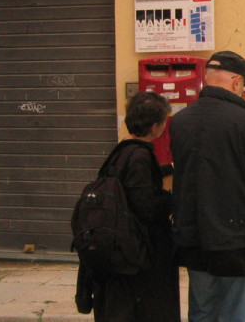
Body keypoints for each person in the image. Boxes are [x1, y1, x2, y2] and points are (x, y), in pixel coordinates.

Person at [170, 51, 245, 322]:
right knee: (238, 313)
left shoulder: (179, 121)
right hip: (238, 237)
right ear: (236, 83)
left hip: (194, 234)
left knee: (202, 310)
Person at [75, 91, 180, 322]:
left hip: (119, 251)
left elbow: (128, 184)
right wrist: (174, 198)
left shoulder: (121, 151)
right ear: (154, 127)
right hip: (138, 257)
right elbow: (145, 205)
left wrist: (168, 168)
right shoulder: (141, 155)